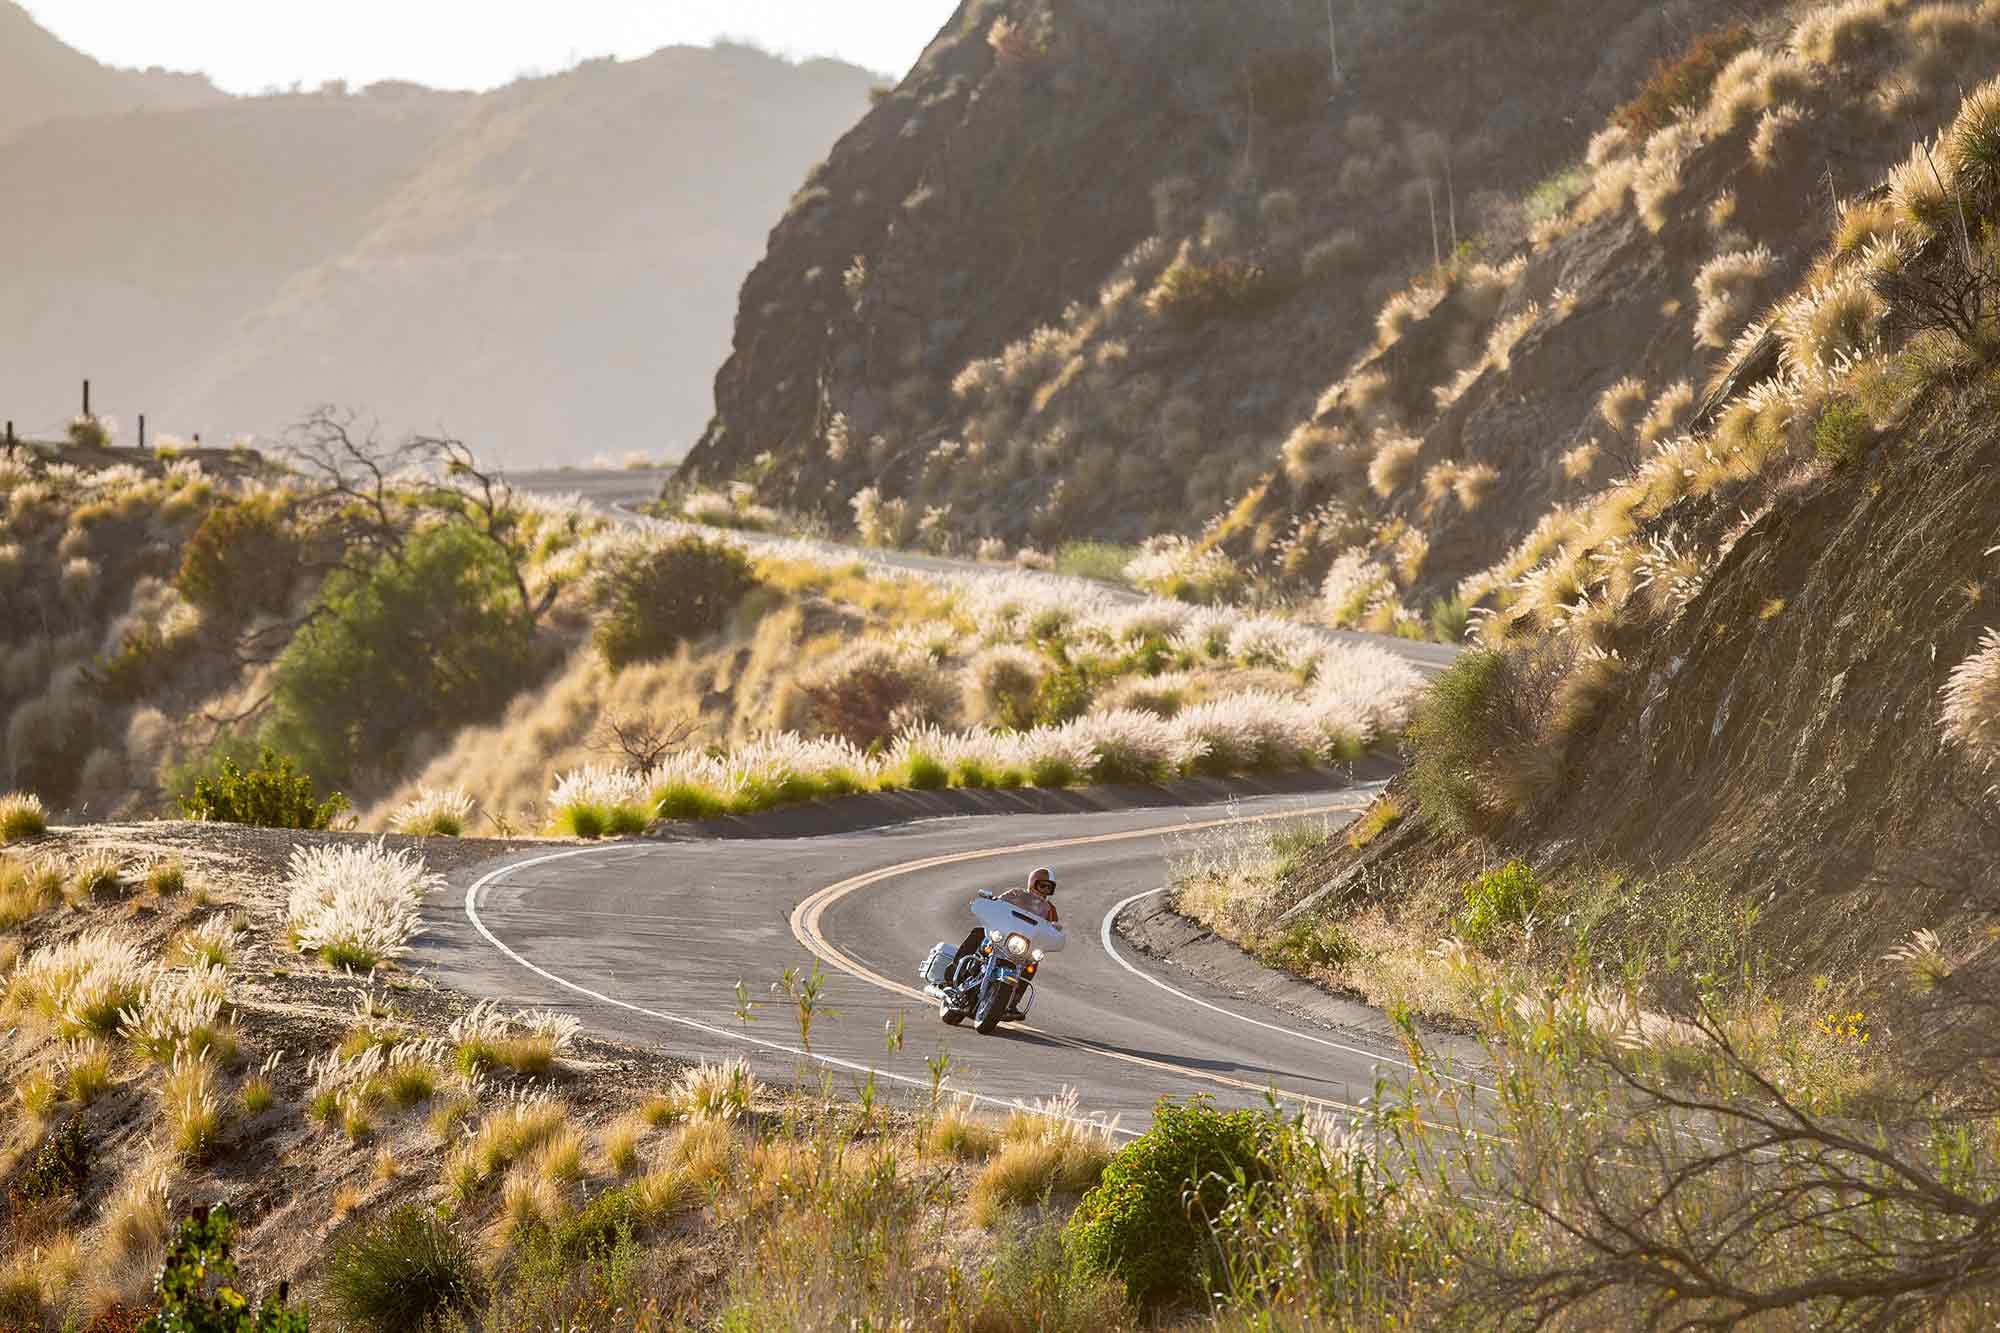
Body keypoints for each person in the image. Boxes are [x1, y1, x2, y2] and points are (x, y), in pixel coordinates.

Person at [950, 866, 1059, 980]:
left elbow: (1053, 930)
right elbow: (999, 902)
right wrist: (992, 901)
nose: (1045, 890)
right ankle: (954, 971)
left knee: (1032, 965)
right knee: (979, 933)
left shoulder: (1050, 910)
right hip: (1005, 934)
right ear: (1033, 883)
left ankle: (1016, 996)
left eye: (1049, 888)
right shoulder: (1017, 894)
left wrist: (1055, 931)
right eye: (1042, 886)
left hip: (1026, 946)